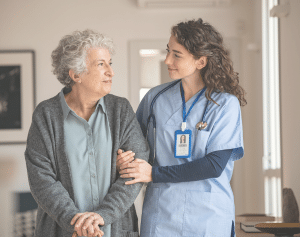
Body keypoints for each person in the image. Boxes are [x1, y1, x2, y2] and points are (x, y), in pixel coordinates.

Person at [117, 18, 246, 237]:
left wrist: (153, 174)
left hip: (209, 215)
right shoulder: (155, 98)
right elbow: (133, 145)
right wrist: (125, 159)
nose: (167, 60)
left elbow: (214, 165)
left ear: (201, 61)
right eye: (168, 51)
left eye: (177, 55)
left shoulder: (225, 104)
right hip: (162, 213)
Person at [24, 29, 149, 237]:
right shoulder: (46, 115)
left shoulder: (121, 110)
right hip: (63, 231)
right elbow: (41, 179)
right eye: (101, 64)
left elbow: (136, 170)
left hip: (115, 230)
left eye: (110, 63)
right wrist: (77, 223)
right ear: (75, 74)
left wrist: (102, 216)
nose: (111, 72)